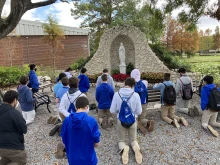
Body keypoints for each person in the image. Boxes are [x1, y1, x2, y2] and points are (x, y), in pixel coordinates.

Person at [110, 78, 143, 165]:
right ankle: (136, 148)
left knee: (121, 140)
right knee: (133, 139)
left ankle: (124, 148)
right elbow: (139, 111)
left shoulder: (117, 94)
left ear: (125, 83)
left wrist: (119, 111)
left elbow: (112, 110)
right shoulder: (136, 95)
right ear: (133, 86)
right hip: (132, 120)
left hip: (121, 121)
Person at [61, 97, 100, 165]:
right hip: (88, 159)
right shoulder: (91, 121)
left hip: (72, 158)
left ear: (76, 107)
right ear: (87, 107)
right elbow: (96, 142)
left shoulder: (66, 121)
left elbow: (64, 139)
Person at [0, 90, 27, 165]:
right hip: (12, 146)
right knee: (21, 160)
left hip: (1, 147)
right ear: (15, 100)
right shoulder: (14, 113)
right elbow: (24, 129)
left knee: (5, 159)